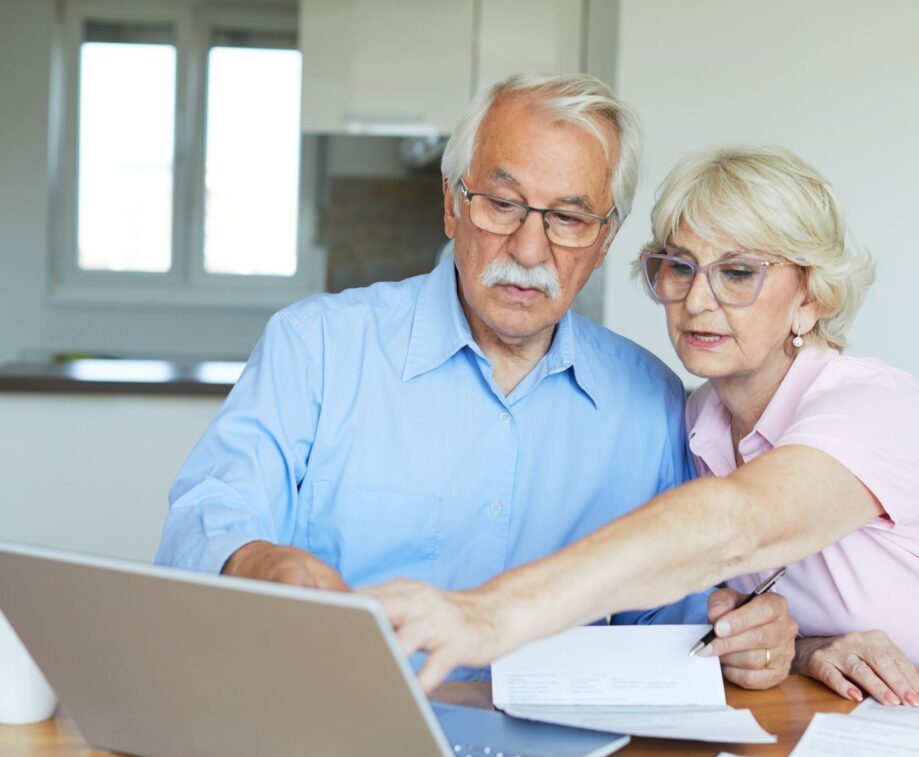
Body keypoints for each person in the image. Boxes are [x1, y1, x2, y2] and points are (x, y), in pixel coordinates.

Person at [156, 77, 797, 686]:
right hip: (338, 720)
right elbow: (211, 510)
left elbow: (665, 621)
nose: (527, 249)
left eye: (568, 219)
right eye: (502, 204)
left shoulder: (651, 400)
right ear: (452, 205)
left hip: (564, 749)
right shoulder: (317, 346)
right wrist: (256, 561)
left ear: (604, 241)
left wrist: (741, 635)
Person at [365, 145, 919, 705]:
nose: (697, 300)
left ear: (813, 297)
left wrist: (486, 616)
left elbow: (735, 525)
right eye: (680, 267)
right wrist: (810, 647)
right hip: (907, 724)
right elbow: (754, 610)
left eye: (739, 272)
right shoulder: (695, 425)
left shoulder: (878, 412)